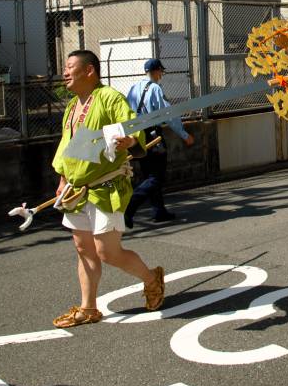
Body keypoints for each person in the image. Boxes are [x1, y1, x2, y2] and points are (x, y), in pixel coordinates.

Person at [50, 50, 165, 328]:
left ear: (89, 71)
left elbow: (132, 131)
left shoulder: (109, 97)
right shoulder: (72, 107)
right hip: (77, 190)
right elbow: (67, 147)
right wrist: (63, 179)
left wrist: (129, 141)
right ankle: (89, 307)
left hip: (106, 187)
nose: (65, 72)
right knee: (83, 248)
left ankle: (152, 279)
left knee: (107, 252)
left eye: (70, 67)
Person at [125, 58, 195, 226]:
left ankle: (159, 211)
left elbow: (126, 112)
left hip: (137, 137)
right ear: (156, 71)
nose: (161, 75)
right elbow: (169, 114)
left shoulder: (134, 88)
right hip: (153, 137)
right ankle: (130, 207)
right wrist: (184, 135)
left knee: (149, 174)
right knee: (156, 177)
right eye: (161, 72)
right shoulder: (155, 89)